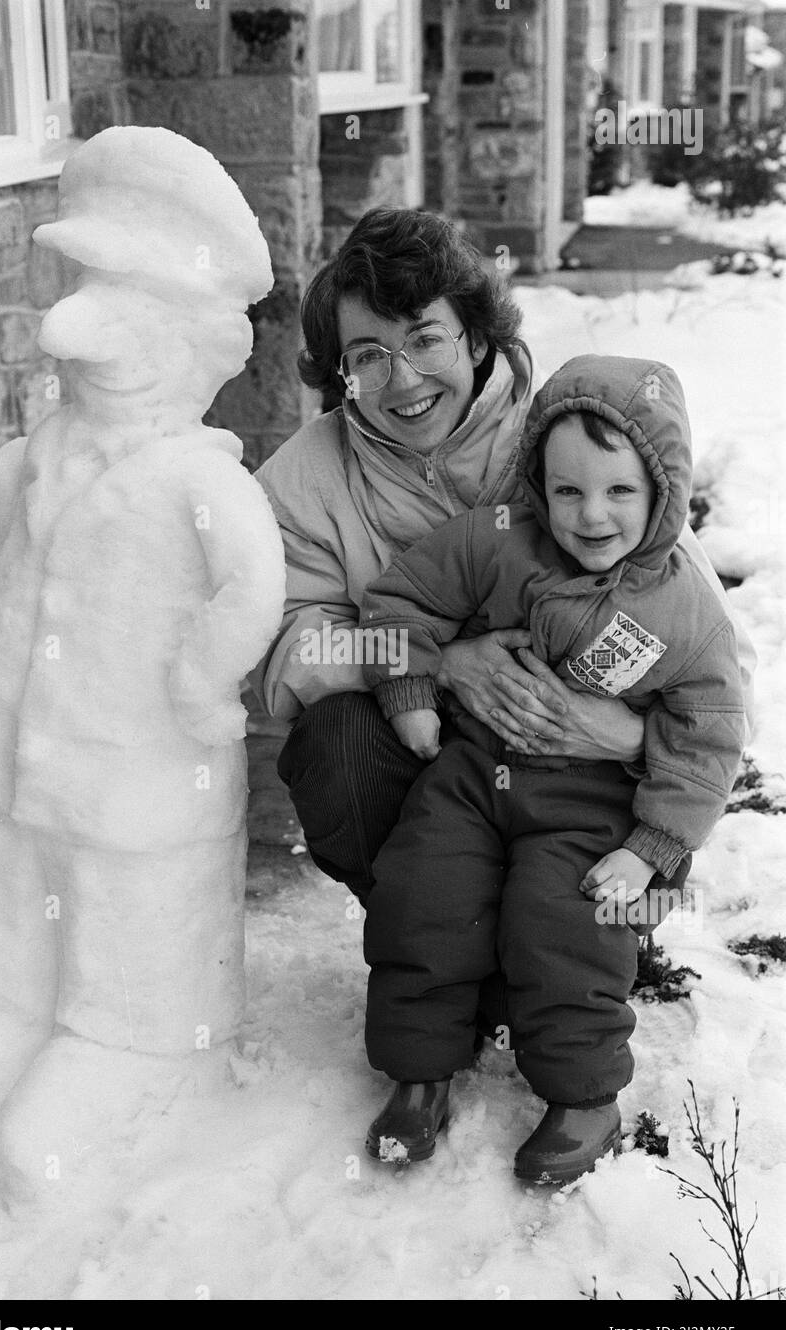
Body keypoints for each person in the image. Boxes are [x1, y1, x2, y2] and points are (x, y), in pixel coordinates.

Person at [252, 207, 754, 1039]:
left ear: (477, 337)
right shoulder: (302, 483)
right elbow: (288, 646)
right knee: (332, 745)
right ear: (339, 374)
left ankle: (589, 951)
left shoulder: (575, 436)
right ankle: (453, 969)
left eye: (425, 339)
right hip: (424, 745)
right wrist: (440, 662)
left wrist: (627, 736)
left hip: (584, 772)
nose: (403, 380)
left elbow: (700, 649)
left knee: (632, 790)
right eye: (367, 357)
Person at [358, 355, 746, 1183]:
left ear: (663, 493)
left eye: (618, 492)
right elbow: (402, 598)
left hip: (592, 799)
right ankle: (420, 1072)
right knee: (426, 889)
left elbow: (708, 733)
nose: (591, 516)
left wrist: (652, 848)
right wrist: (414, 688)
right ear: (539, 483)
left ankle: (583, 1098)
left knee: (565, 921)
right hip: (475, 769)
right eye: (567, 491)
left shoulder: (683, 610)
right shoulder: (498, 540)